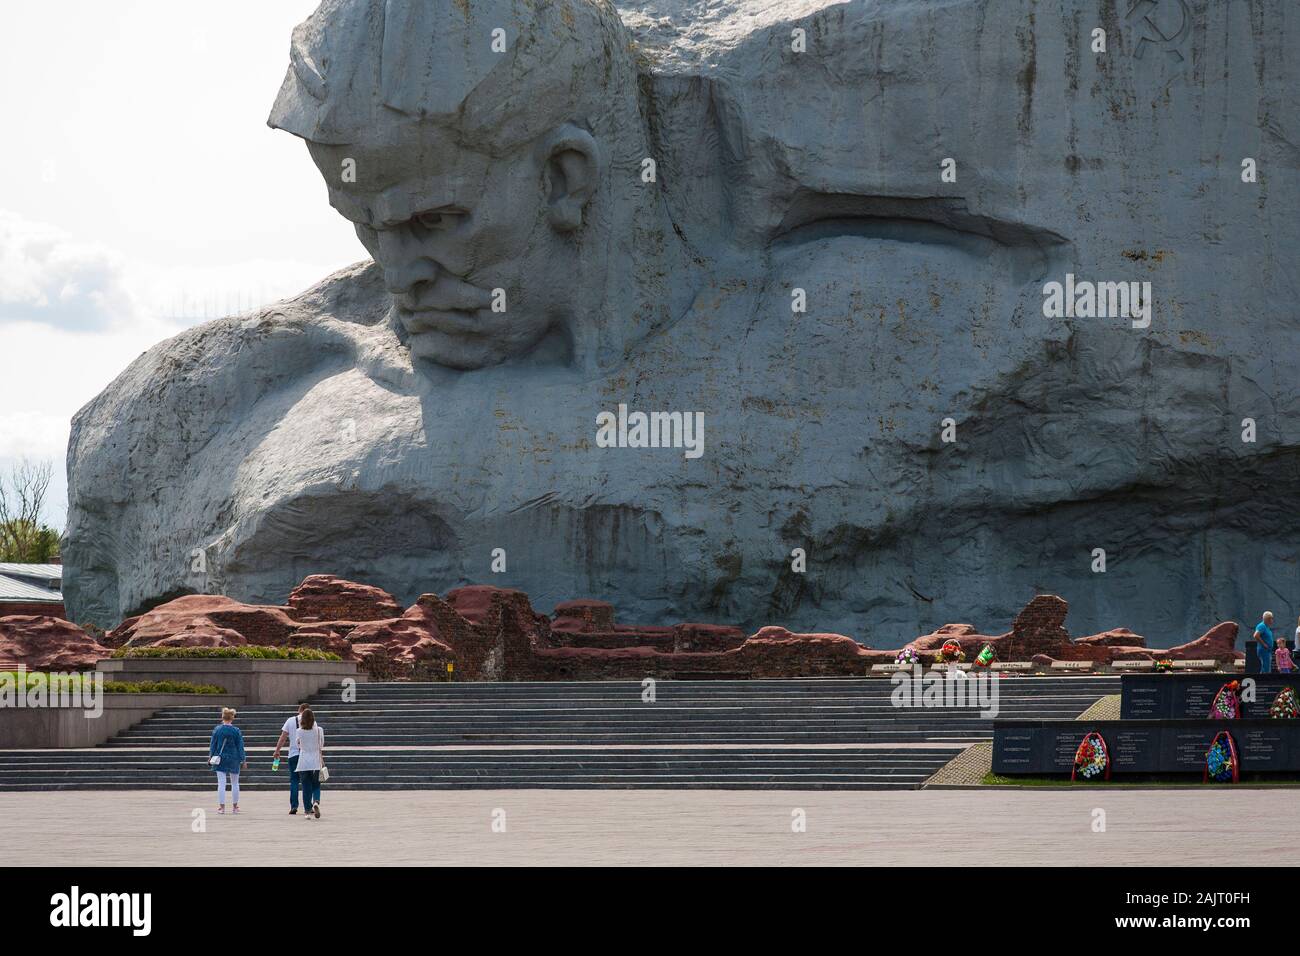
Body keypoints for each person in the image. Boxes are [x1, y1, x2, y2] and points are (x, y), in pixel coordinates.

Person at [272, 702, 310, 815]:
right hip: (305, 755)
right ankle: (308, 807)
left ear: (299, 710)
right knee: (306, 782)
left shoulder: (290, 720)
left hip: (293, 754)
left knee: (294, 780)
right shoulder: (311, 721)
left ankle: (294, 806)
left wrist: (277, 750)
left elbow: (283, 737)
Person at [209, 707, 247, 814]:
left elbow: (213, 745)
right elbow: (240, 746)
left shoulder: (217, 730)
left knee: (221, 783)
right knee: (235, 783)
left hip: (220, 758)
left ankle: (222, 807)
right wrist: (243, 759)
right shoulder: (236, 731)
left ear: (222, 717)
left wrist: (210, 756)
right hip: (234, 758)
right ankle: (235, 807)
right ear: (232, 718)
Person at [295, 707, 325, 819]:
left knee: (306, 786)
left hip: (303, 761)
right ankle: (316, 801)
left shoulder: (299, 731)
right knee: (316, 784)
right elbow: (321, 744)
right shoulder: (319, 730)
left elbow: (297, 745)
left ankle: (307, 811)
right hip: (316, 760)